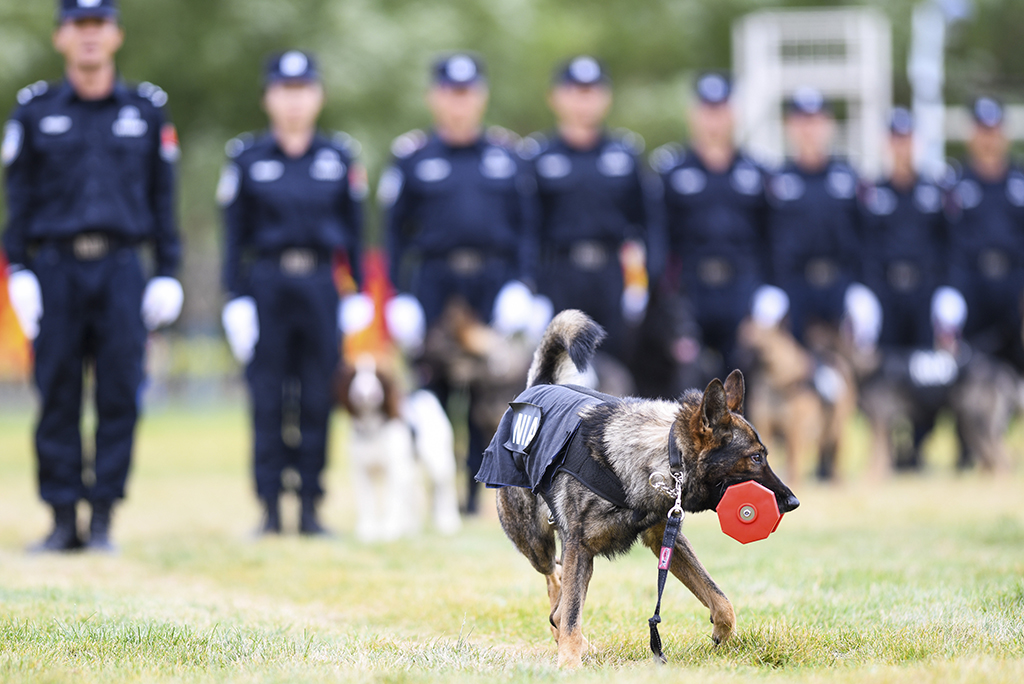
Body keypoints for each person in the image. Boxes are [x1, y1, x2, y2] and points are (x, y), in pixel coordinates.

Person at [2, 0, 183, 553]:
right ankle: (62, 518)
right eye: (77, 26)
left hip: (123, 268)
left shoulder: (147, 111)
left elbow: (163, 198)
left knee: (119, 392)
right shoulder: (33, 113)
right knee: (56, 390)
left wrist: (168, 271)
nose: (88, 37)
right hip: (55, 268)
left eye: (97, 25)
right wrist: (18, 270)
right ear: (60, 37)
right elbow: (18, 200)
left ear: (115, 35)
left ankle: (102, 515)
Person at [379, 52, 534, 513]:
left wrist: (522, 285)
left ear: (481, 97)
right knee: (434, 391)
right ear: (434, 97)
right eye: (449, 93)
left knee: (486, 393)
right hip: (434, 282)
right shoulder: (413, 157)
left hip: (491, 280)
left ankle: (475, 494)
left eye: (467, 93)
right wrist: (396, 294)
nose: (459, 104)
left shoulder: (507, 155)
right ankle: (435, 488)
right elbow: (392, 234)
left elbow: (527, 228)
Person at [218, 50, 365, 535]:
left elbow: (356, 231)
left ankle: (308, 505)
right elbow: (233, 235)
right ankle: (267, 507)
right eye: (285, 90)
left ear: (318, 96)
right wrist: (235, 297)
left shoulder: (338, 157)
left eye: (303, 90)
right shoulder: (247, 157)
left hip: (321, 286)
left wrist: (359, 290)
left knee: (318, 395)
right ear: (268, 97)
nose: (294, 101)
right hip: (267, 285)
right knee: (267, 398)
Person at [522, 56, 651, 365]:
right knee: (558, 375)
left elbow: (647, 224)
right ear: (555, 97)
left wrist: (642, 282)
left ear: (606, 97)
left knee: (613, 373)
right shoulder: (537, 156)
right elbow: (526, 228)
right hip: (558, 275)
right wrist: (529, 285)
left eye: (592, 91)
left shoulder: (624, 154)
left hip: (609, 276)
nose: (584, 101)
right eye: (574, 91)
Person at [649, 72, 769, 382]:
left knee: (742, 386)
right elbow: (659, 237)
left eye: (721, 109)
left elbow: (768, 237)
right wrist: (666, 297)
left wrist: (765, 290)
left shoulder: (756, 172)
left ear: (734, 114)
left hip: (741, 289)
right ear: (693, 114)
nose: (714, 120)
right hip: (690, 292)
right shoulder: (670, 169)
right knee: (689, 389)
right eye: (707, 110)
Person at [765, 86, 878, 350]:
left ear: (829, 125)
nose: (809, 130)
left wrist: (863, 286)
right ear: (789, 126)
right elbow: (765, 237)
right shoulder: (776, 181)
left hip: (840, 282)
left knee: (861, 343)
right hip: (792, 284)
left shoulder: (850, 178)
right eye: (801, 121)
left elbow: (868, 236)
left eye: (815, 121)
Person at [947, 96, 1024, 372]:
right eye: (982, 130)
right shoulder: (954, 182)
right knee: (971, 373)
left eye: (994, 130)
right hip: (972, 286)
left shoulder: (1019, 181)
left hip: (1014, 287)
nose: (988, 139)